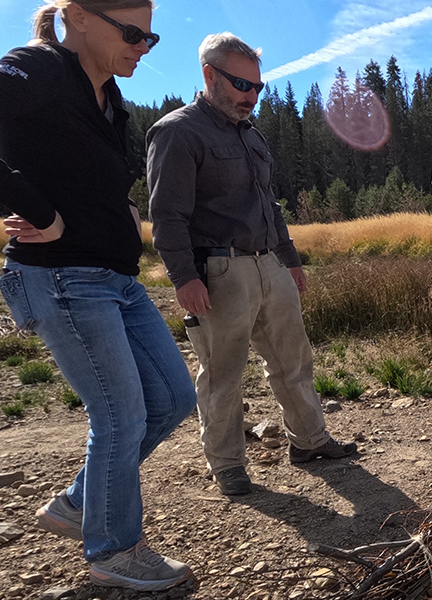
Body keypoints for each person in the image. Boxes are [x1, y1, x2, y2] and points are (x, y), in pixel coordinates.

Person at [0, 0, 197, 591]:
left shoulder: (110, 99)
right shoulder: (40, 68)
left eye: (149, 39)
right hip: (61, 275)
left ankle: (79, 505)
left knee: (173, 399)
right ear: (76, 16)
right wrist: (33, 206)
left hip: (116, 279)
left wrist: (116, 206)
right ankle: (114, 550)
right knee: (121, 416)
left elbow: (81, 168)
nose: (141, 47)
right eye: (131, 32)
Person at [147, 33, 356, 497]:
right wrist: (184, 277)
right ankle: (226, 465)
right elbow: (166, 215)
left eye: (258, 87)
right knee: (222, 371)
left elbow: (270, 205)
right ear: (208, 75)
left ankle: (310, 441)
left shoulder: (252, 136)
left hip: (270, 266)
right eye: (242, 84)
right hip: (218, 272)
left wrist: (291, 260)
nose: (251, 96)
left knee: (293, 360)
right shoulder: (178, 132)